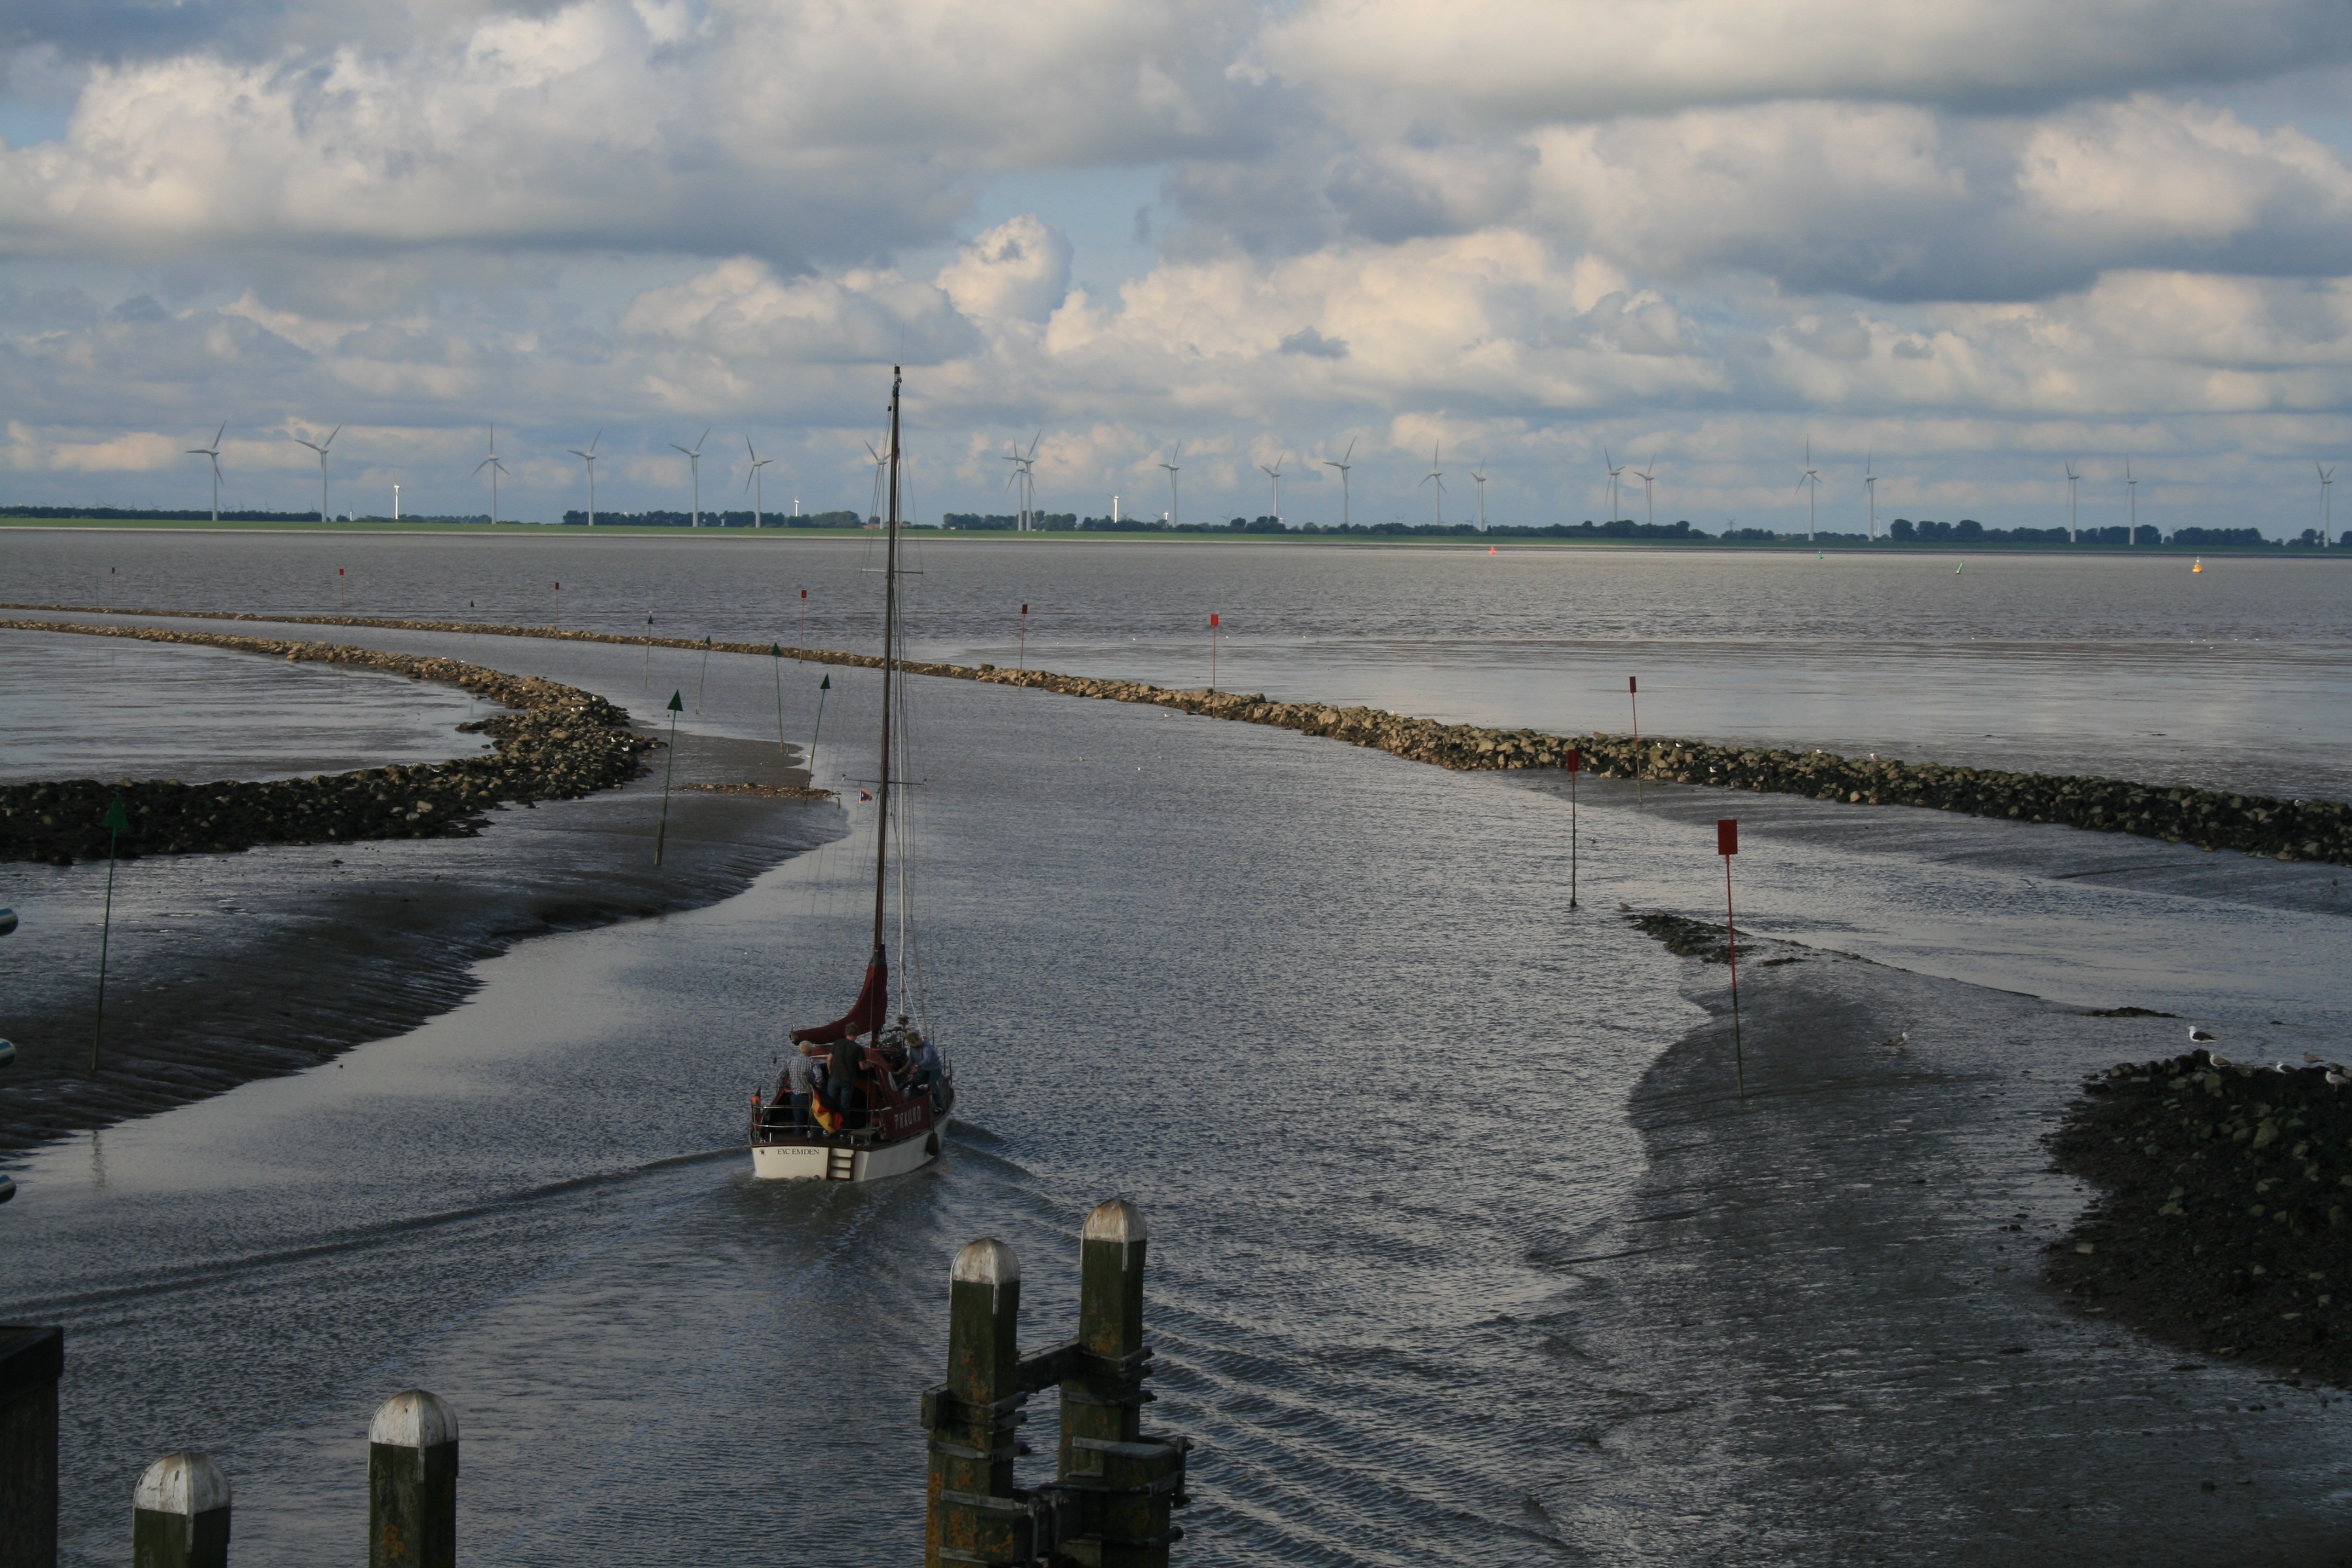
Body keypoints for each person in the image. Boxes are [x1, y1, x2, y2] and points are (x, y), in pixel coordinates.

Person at [777, 1045, 820, 1134]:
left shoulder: (791, 1060)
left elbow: (780, 1075)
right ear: (811, 1051)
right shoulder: (812, 1062)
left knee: (799, 1122)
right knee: (816, 1121)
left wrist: (784, 1087)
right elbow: (819, 1077)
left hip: (795, 1096)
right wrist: (817, 1086)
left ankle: (798, 1138)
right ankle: (817, 1137)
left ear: (800, 1050)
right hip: (809, 1097)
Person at [906, 1030, 942, 1103]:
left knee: (932, 1083)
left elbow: (927, 1060)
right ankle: (916, 1099)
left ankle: (939, 1105)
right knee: (913, 1082)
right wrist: (903, 1069)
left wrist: (916, 1067)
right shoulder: (912, 1048)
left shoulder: (926, 1047)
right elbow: (911, 1060)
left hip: (935, 1068)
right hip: (923, 1069)